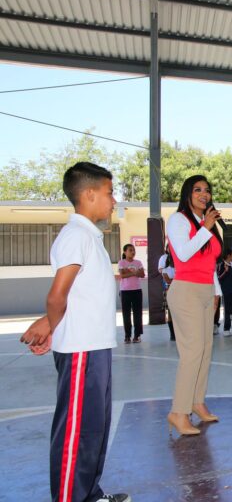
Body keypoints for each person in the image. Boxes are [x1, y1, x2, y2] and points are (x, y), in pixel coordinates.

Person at [20, 162, 130, 502]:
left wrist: (51, 323)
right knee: (75, 433)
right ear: (89, 194)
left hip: (94, 346)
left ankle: (88, 493)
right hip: (81, 350)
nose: (114, 201)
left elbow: (75, 297)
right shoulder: (76, 236)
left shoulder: (89, 237)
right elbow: (58, 294)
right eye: (110, 193)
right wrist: (51, 324)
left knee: (94, 428)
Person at [166, 174, 224, 436]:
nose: (204, 194)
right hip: (185, 290)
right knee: (191, 352)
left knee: (206, 350)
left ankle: (197, 402)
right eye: (198, 190)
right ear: (187, 193)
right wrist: (206, 228)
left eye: (207, 190)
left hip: (205, 290)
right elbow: (184, 253)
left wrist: (216, 292)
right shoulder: (178, 220)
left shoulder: (205, 224)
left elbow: (210, 261)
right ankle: (179, 412)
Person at [118, 243, 145, 344]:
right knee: (126, 314)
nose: (133, 252)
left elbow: (142, 274)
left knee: (138, 314)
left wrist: (129, 272)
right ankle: (127, 336)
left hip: (137, 291)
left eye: (133, 250)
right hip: (125, 291)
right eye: (130, 250)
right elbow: (122, 275)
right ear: (125, 252)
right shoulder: (121, 262)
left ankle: (137, 336)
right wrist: (134, 273)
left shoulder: (138, 262)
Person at [217, 248, 232, 337]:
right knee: (227, 311)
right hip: (226, 292)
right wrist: (225, 272)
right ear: (228, 255)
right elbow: (219, 278)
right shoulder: (221, 265)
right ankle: (226, 328)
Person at [159, 244, 176, 341]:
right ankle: (172, 334)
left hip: (179, 285)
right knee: (170, 311)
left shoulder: (178, 257)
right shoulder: (163, 258)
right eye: (169, 247)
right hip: (169, 286)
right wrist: (170, 281)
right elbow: (163, 272)